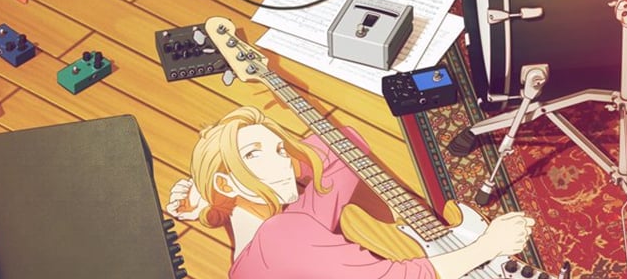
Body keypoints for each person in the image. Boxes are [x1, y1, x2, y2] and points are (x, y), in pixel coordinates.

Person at [165, 106, 534, 278]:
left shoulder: (266, 236)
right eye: (253, 155)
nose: (283, 163)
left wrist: (211, 195)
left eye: (280, 149)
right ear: (226, 183)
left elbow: (345, 143)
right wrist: (489, 245)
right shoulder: (283, 236)